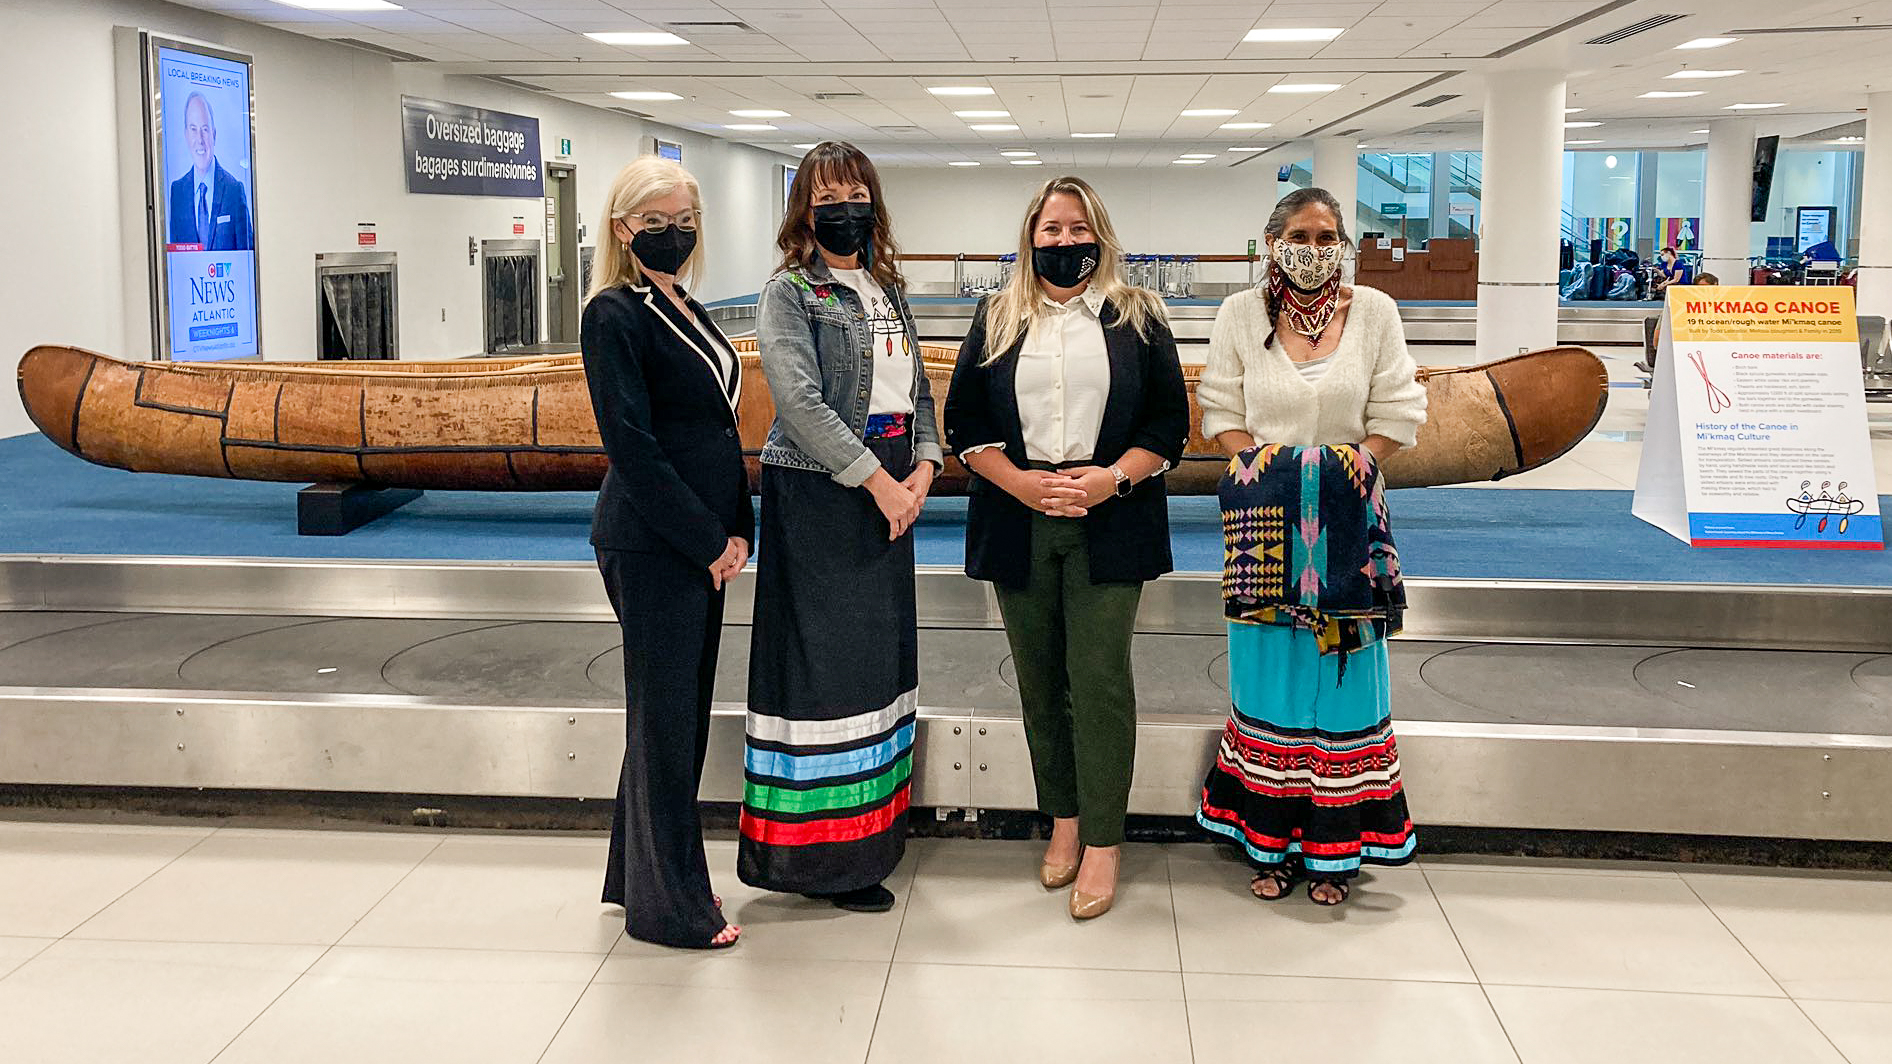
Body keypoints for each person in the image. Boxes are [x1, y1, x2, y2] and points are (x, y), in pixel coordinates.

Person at [945, 176, 1187, 921]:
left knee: (1100, 680)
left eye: (1076, 228)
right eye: (1049, 230)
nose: (1063, 241)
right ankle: (1065, 821)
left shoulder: (1137, 316)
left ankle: (1106, 841)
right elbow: (964, 425)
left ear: (1100, 235)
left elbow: (1168, 426)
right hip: (1019, 516)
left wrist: (1110, 480)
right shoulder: (996, 317)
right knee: (1040, 680)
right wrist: (1018, 483)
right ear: (1030, 239)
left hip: (1110, 517)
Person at [1193, 186, 1427, 907]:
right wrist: (1266, 472)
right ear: (1273, 242)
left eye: (1329, 238)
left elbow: (1399, 410)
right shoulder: (1240, 315)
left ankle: (1336, 848)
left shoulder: (1375, 314)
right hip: (1265, 533)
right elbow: (1221, 411)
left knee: (1342, 677)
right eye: (1301, 234)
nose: (1315, 249)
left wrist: (1348, 465)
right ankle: (1270, 840)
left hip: (1349, 528)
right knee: (1271, 676)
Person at [740, 141, 942, 913]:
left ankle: (872, 840)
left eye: (857, 190)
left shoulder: (886, 286)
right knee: (824, 678)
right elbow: (798, 403)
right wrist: (880, 484)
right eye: (829, 194)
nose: (845, 205)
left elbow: (919, 391)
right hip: (826, 497)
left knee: (875, 670)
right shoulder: (791, 291)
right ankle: (819, 861)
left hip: (892, 489)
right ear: (805, 208)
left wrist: (923, 471)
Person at [580, 157, 751, 950]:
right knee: (667, 721)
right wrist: (706, 539)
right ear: (623, 229)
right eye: (655, 219)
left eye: (684, 216)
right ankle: (672, 906)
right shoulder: (612, 314)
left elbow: (716, 427)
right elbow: (634, 448)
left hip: (698, 542)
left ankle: (632, 874)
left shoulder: (685, 303)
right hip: (653, 542)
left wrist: (737, 526)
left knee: (666, 715)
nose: (673, 230)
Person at [166, 92, 253, 251]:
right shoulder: (177, 192)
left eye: (204, 129)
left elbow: (247, 254)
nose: (199, 139)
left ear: (214, 134)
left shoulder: (234, 191)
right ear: (186, 135)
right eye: (193, 129)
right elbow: (174, 255)